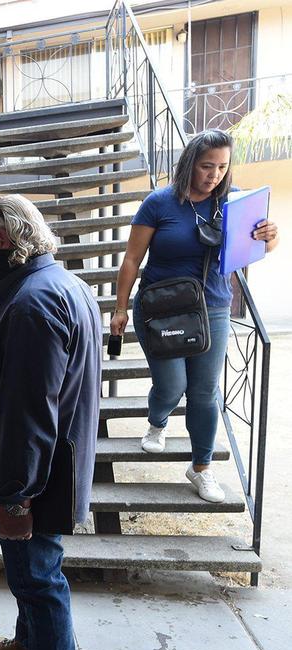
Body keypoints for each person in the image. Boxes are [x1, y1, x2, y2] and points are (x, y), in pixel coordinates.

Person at [0, 195, 101, 650]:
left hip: (36, 475)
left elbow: (28, 412)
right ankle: (30, 648)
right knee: (34, 573)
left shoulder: (30, 306)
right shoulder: (61, 286)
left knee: (37, 576)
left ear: (8, 243)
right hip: (53, 465)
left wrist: (16, 496)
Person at [111, 130, 280, 503]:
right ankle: (158, 421)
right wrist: (120, 308)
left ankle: (201, 468)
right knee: (171, 385)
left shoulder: (236, 203)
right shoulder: (159, 203)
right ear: (190, 163)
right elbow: (131, 259)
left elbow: (259, 246)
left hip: (213, 308)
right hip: (160, 308)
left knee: (205, 392)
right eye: (207, 166)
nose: (215, 174)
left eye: (222, 166)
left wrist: (270, 235)